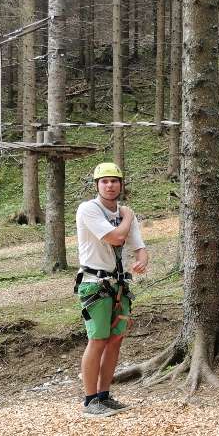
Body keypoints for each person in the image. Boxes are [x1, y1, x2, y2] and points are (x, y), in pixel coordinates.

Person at [74, 162, 149, 417]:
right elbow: (116, 238)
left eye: (114, 181)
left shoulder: (124, 212)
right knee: (97, 340)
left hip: (118, 284)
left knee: (115, 340)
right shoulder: (88, 210)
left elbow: (138, 244)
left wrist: (142, 258)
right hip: (95, 284)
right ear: (97, 185)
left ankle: (104, 395)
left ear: (120, 185)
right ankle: (90, 399)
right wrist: (127, 217)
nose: (109, 185)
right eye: (104, 181)